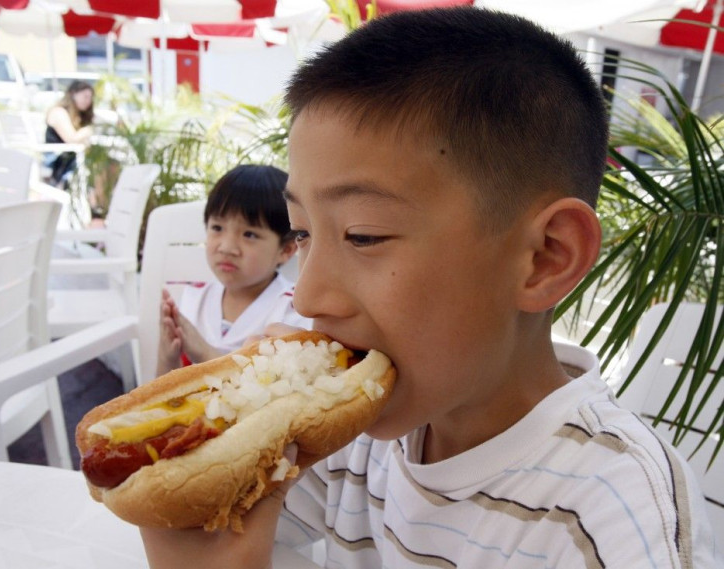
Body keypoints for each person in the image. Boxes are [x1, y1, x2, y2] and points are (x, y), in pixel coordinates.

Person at [140, 7, 722, 568]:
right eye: (302, 233)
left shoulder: (615, 518)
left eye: (363, 235)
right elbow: (222, 528)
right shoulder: (353, 444)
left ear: (545, 258)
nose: (309, 297)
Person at [156, 164, 312, 376]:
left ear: (285, 249)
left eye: (249, 234)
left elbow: (270, 396)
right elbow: (162, 389)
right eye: (217, 228)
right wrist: (168, 356)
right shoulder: (194, 299)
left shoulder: (292, 311)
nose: (227, 247)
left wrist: (204, 353)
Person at [44, 79, 94, 188]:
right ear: (73, 94)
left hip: (70, 157)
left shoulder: (78, 116)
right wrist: (89, 130)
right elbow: (71, 139)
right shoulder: (58, 112)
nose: (88, 101)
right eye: (85, 96)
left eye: (90, 98)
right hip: (57, 161)